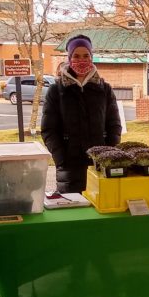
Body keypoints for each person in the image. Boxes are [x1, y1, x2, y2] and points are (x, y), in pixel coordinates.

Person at [41, 34, 122, 193]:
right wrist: (61, 159)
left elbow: (114, 125)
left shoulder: (104, 89)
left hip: (100, 164)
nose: (81, 60)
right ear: (70, 58)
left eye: (86, 55)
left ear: (91, 57)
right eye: (76, 56)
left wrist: (109, 154)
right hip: (69, 168)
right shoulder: (56, 91)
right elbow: (49, 130)